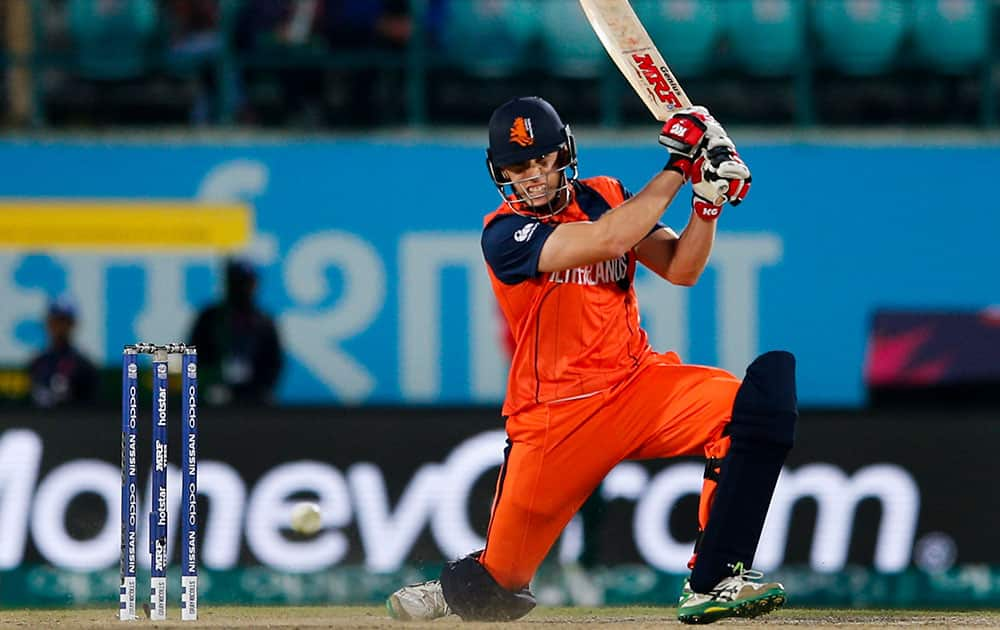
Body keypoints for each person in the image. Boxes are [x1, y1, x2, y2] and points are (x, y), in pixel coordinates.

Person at [386, 96, 797, 625]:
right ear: (499, 172)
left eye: (542, 159)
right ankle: (453, 588)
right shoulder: (503, 234)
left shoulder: (605, 195)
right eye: (518, 166)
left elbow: (681, 267)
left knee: (761, 402)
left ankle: (715, 579)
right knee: (495, 594)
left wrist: (707, 202)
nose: (533, 176)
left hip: (638, 385)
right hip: (557, 417)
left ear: (564, 154)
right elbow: (611, 239)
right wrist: (681, 162)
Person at [188, 258, 284, 405]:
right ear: (228, 284)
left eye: (247, 283)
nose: (243, 289)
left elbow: (274, 362)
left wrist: (261, 388)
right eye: (238, 283)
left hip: (255, 396)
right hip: (213, 394)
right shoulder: (210, 318)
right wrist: (207, 382)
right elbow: (193, 355)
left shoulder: (264, 322)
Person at [28, 296, 99, 407]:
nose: (60, 327)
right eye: (56, 321)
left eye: (64, 322)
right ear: (48, 324)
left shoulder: (84, 367)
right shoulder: (36, 363)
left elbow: (92, 410)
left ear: (73, 324)